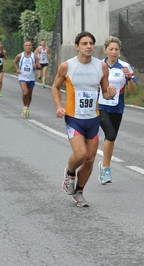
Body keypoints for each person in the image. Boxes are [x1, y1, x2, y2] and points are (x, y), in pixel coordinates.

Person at [51, 31, 116, 207]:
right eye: (85, 43)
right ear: (77, 46)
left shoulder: (101, 67)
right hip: (74, 118)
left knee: (90, 159)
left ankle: (79, 192)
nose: (88, 46)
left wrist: (110, 94)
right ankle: (70, 173)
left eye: (91, 43)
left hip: (93, 119)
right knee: (80, 154)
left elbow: (105, 94)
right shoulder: (67, 66)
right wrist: (59, 107)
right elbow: (55, 87)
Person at [97, 36, 136, 184]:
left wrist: (129, 78)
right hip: (101, 105)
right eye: (111, 49)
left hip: (117, 107)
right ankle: (106, 169)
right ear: (105, 50)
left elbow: (132, 91)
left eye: (116, 49)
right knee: (110, 134)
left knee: (111, 138)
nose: (114, 52)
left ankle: (104, 165)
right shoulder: (99, 65)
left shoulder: (125, 66)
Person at [13, 40, 42, 117]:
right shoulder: (20, 55)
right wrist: (17, 69)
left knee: (29, 94)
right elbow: (14, 62)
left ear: (31, 47)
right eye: (26, 45)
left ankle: (27, 107)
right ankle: (24, 107)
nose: (28, 47)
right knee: (25, 93)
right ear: (24, 47)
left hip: (31, 78)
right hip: (22, 77)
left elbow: (40, 67)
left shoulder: (34, 56)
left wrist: (37, 66)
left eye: (29, 45)